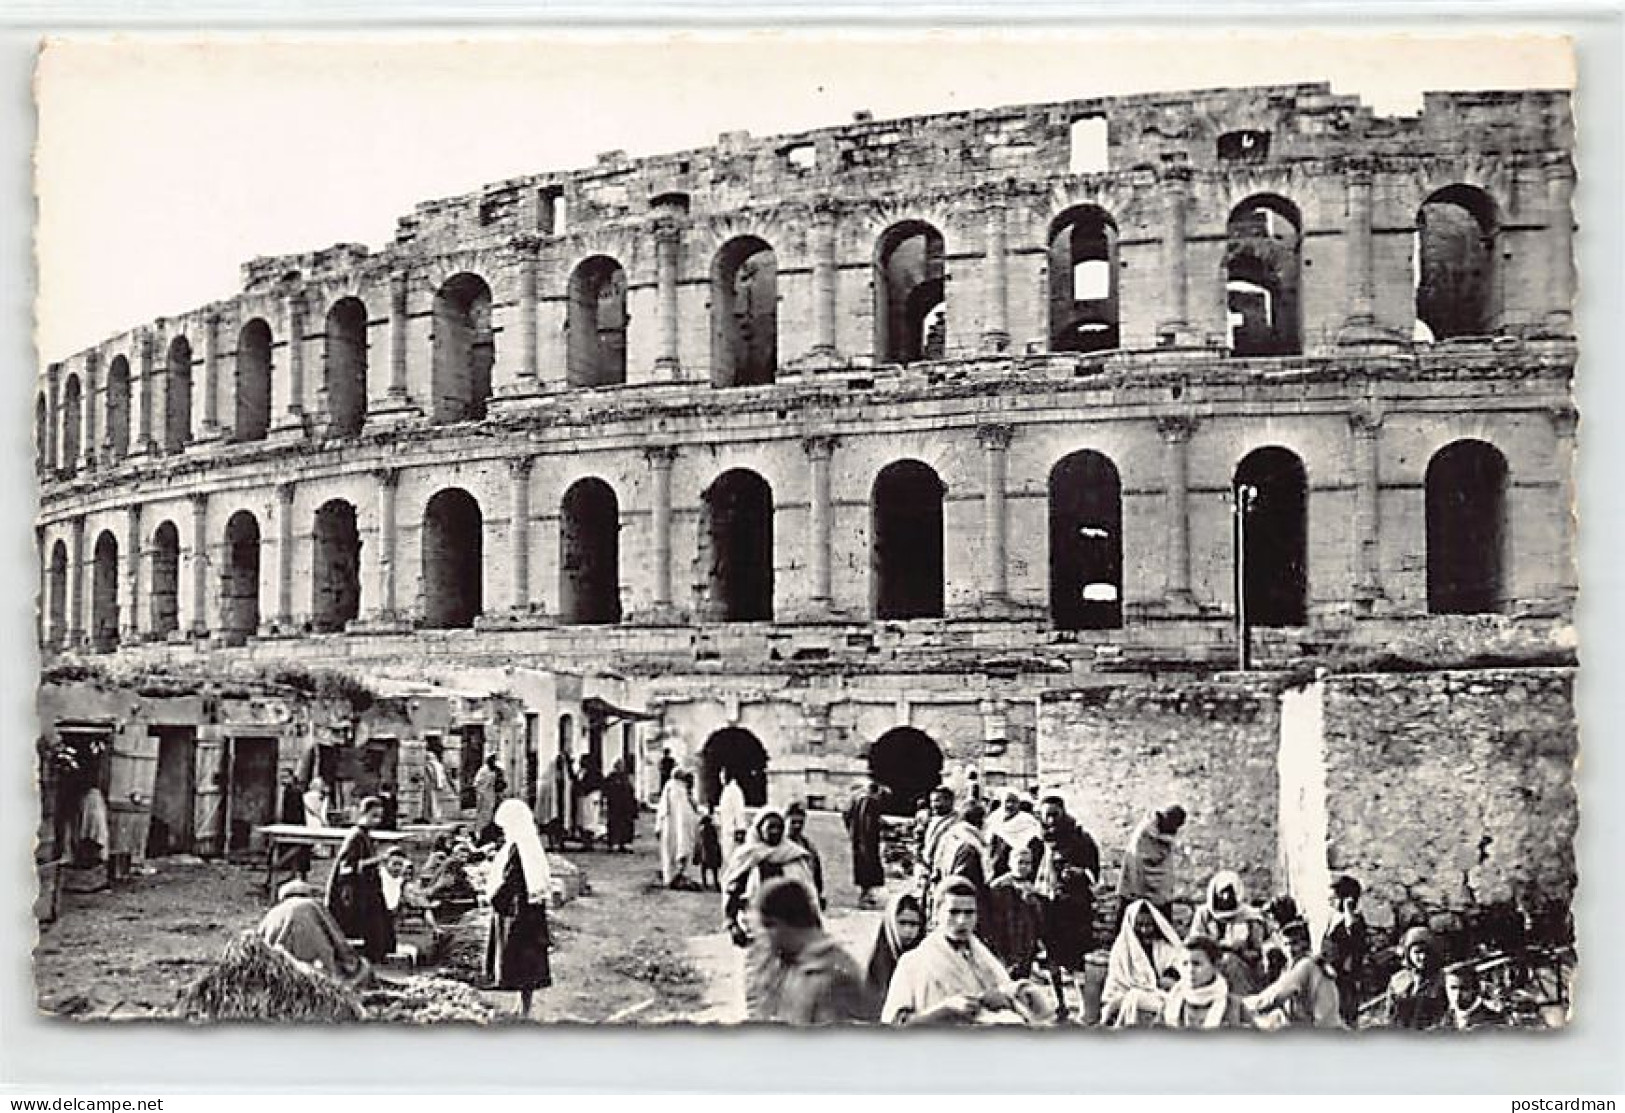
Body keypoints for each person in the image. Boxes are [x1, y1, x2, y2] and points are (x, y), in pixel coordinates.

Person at [881, 876, 1047, 1026]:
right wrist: (946, 1010)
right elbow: (895, 1025)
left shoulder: (985, 959)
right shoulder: (914, 963)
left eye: (969, 913)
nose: (962, 921)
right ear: (936, 913)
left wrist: (1007, 999)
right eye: (953, 913)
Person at [721, 807, 817, 1021]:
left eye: (779, 827)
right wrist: (732, 924)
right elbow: (731, 892)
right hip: (758, 931)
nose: (774, 831)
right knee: (757, 982)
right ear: (759, 828)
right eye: (770, 827)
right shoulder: (747, 856)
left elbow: (809, 895)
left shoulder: (793, 856)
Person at [754, 877, 867, 1025]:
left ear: (778, 925)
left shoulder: (836, 974)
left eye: (765, 927)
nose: (761, 937)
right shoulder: (784, 965)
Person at [484, 798, 554, 1017]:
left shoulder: (518, 849)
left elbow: (512, 880)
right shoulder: (529, 844)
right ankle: (522, 1003)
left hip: (519, 911)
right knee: (527, 959)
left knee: (522, 958)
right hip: (530, 910)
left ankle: (524, 1008)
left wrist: (496, 899)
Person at [1034, 794, 1100, 1020]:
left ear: (1063, 814)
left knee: (1076, 957)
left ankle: (1084, 1007)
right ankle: (1060, 1003)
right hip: (1048, 905)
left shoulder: (1081, 839)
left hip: (1074, 907)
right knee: (1052, 956)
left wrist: (1080, 873)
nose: (1051, 820)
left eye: (1055, 815)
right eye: (1046, 815)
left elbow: (1094, 873)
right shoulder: (1039, 840)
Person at [324, 796, 395, 964]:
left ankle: (376, 955)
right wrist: (378, 859)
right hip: (353, 887)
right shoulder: (355, 836)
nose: (377, 821)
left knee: (379, 921)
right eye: (374, 816)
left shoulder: (366, 835)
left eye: (380, 817)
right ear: (363, 814)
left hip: (367, 886)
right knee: (369, 921)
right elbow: (348, 866)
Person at [258, 879, 367, 982]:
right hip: (316, 970)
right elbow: (335, 935)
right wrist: (351, 959)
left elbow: (258, 943)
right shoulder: (311, 905)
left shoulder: (271, 913)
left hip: (279, 971)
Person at [1245, 918, 1343, 1029]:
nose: (1290, 949)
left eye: (1295, 943)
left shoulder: (1305, 965)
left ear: (1307, 945)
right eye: (1287, 945)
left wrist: (1240, 1004)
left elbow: (1274, 998)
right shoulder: (1294, 967)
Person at [1103, 898, 1185, 1028]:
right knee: (1134, 997)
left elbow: (1178, 963)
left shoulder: (1163, 946)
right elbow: (1116, 982)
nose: (1144, 930)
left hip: (1160, 995)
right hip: (1125, 996)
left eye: (1149, 925)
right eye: (1140, 925)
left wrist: (1170, 976)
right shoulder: (1121, 949)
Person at [1186, 869, 1270, 996]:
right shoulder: (1203, 915)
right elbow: (1194, 945)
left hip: (1243, 970)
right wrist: (1217, 947)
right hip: (1210, 966)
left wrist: (1239, 951)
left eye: (1229, 894)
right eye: (1221, 894)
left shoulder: (1251, 917)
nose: (1225, 898)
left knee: (1230, 962)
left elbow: (1257, 953)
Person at [861, 891, 926, 1021]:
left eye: (914, 924)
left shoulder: (925, 956)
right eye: (902, 923)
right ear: (891, 923)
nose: (908, 930)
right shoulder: (877, 963)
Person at [1161, 934, 1250, 1028]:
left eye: (1197, 964)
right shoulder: (1172, 1002)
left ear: (1216, 966)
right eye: (1185, 964)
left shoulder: (1234, 1006)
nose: (1190, 970)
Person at [983, 843, 1045, 978]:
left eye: (1027, 863)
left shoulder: (1032, 888)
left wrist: (1034, 902)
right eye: (1020, 862)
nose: (1023, 867)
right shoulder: (999, 886)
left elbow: (1039, 918)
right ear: (1011, 863)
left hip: (1025, 939)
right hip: (1005, 937)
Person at [1116, 804, 1186, 919]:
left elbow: (1164, 858)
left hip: (1160, 874)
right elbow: (1139, 854)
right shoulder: (1145, 831)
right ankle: (1120, 934)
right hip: (1138, 871)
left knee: (1164, 904)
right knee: (1127, 904)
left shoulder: (1168, 834)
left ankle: (1167, 934)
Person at [1323, 874, 1369, 1028]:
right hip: (1329, 975)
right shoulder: (1334, 918)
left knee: (1346, 1016)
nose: (1329, 901)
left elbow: (1355, 936)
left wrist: (1349, 909)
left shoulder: (1354, 921)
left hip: (1344, 977)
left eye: (1334, 898)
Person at [1386, 925, 1448, 1030]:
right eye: (1417, 952)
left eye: (1426, 951)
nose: (1423, 957)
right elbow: (1390, 1014)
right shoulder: (1398, 980)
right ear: (1408, 954)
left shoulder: (1442, 979)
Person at [655, 766, 700, 889]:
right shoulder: (678, 790)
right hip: (677, 826)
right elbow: (685, 813)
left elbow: (662, 809)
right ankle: (678, 876)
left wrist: (658, 826)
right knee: (678, 849)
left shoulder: (669, 788)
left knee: (669, 851)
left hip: (669, 825)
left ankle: (671, 877)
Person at [983, 788, 1043, 879]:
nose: (1010, 805)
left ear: (1019, 803)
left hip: (1024, 871)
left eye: (1014, 801)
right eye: (1007, 801)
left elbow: (1036, 848)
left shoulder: (1028, 821)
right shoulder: (994, 820)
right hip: (999, 872)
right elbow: (989, 847)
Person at [845, 779, 886, 909]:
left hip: (859, 839)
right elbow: (868, 824)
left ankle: (865, 895)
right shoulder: (870, 802)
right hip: (868, 840)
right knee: (868, 866)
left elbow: (846, 815)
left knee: (862, 866)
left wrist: (852, 831)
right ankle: (865, 897)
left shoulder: (859, 800)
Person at [784, 801, 825, 908]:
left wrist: (819, 894)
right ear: (785, 821)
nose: (797, 826)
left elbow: (816, 873)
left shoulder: (807, 846)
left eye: (800, 823)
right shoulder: (778, 846)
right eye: (793, 822)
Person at [1444, 962, 1504, 1030]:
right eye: (1453, 988)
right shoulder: (1446, 1019)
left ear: (1475, 988)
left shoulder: (1491, 1020)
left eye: (1464, 988)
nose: (1457, 993)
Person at [604, 759, 638, 853]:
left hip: (625, 806)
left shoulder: (625, 778)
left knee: (625, 825)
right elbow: (607, 790)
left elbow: (631, 792)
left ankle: (624, 843)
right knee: (615, 824)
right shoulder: (612, 778)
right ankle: (615, 843)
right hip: (616, 806)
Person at [472, 754, 504, 839]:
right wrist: (481, 793)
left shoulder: (494, 770)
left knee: (491, 814)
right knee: (483, 815)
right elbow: (477, 783)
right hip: (483, 795)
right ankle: (479, 833)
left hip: (491, 794)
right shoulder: (483, 770)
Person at [696, 805, 724, 890]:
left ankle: (706, 883)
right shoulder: (712, 828)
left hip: (706, 851)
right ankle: (714, 882)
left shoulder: (703, 830)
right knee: (713, 868)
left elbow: (700, 842)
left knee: (705, 868)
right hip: (711, 851)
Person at [421, 743, 452, 823]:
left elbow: (432, 775)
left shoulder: (429, 765)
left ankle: (431, 817)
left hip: (432, 785)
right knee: (437, 802)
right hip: (439, 785)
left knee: (431, 801)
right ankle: (437, 816)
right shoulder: (439, 765)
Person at [718, 770, 749, 846]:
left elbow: (739, 810)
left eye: (722, 777)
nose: (721, 779)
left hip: (733, 832)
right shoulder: (726, 790)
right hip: (726, 830)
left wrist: (740, 828)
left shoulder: (735, 790)